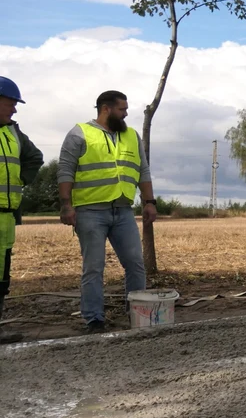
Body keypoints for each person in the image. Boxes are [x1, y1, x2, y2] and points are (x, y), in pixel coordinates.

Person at [58, 91, 157, 332]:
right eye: (122, 109)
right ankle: (94, 318)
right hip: (90, 212)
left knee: (135, 263)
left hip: (123, 211)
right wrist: (66, 205)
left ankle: (136, 311)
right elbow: (65, 171)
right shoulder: (79, 133)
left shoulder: (131, 136)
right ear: (106, 109)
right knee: (94, 267)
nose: (126, 114)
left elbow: (142, 171)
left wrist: (149, 201)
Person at [0, 77, 44, 345]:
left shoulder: (14, 133)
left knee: (2, 279)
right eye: (11, 103)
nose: (15, 109)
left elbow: (35, 157)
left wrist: (21, 179)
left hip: (6, 219)